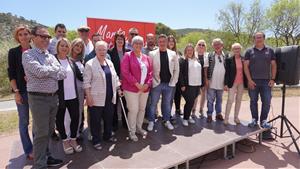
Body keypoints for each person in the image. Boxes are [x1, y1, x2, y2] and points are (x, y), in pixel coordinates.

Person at [22, 26, 65, 168]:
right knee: (41, 133)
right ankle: (40, 164)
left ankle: (47, 157)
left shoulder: (51, 56)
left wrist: (50, 72)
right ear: (33, 38)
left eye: (48, 37)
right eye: (43, 36)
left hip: (53, 98)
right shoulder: (28, 54)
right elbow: (39, 71)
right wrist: (53, 71)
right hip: (38, 98)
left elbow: (63, 74)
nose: (47, 39)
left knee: (48, 131)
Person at [83, 41, 119, 150]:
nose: (102, 52)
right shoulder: (90, 64)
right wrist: (88, 97)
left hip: (109, 97)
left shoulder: (109, 62)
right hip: (96, 98)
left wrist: (118, 87)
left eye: (104, 49)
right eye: (99, 49)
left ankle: (107, 136)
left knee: (108, 119)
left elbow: (115, 77)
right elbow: (86, 82)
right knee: (96, 121)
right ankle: (96, 140)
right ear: (95, 50)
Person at [7, 25, 33, 160]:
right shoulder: (13, 52)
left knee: (38, 123)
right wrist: (16, 92)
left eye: (26, 34)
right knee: (24, 122)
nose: (23, 36)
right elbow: (11, 74)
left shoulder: (36, 51)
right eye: (21, 34)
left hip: (36, 92)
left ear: (30, 36)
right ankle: (29, 150)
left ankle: (39, 148)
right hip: (21, 92)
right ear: (17, 37)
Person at [121, 36, 153, 141]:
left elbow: (150, 73)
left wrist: (147, 84)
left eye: (140, 43)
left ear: (143, 45)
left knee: (142, 109)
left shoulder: (146, 57)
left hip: (144, 89)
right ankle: (132, 131)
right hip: (131, 89)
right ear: (132, 44)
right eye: (136, 43)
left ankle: (139, 128)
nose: (138, 45)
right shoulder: (127, 55)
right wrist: (136, 83)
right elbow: (125, 72)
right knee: (133, 110)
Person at [55, 38, 82, 154]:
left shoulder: (71, 61)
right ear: (57, 47)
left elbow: (81, 76)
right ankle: (65, 140)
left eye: (66, 46)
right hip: (59, 97)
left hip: (73, 96)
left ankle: (73, 139)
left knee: (75, 118)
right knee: (60, 120)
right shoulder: (53, 60)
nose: (64, 48)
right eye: (62, 45)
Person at [244, 32, 277, 129]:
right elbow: (245, 66)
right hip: (253, 81)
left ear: (264, 38)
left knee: (266, 101)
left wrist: (273, 79)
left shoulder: (270, 50)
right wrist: (249, 80)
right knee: (253, 101)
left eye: (260, 37)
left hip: (266, 82)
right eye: (256, 37)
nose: (258, 39)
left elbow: (274, 65)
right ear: (254, 39)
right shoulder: (249, 51)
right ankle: (254, 120)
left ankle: (263, 121)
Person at [147, 34, 180, 131]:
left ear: (167, 42)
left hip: (169, 84)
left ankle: (166, 120)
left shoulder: (173, 54)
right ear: (158, 42)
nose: (162, 43)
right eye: (160, 41)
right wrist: (153, 81)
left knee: (166, 104)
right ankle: (151, 121)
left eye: (164, 41)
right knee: (153, 104)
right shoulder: (152, 54)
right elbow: (150, 70)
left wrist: (173, 82)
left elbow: (176, 70)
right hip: (156, 83)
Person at [108, 31, 130, 132]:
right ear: (115, 40)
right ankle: (115, 124)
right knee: (115, 103)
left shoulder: (128, 51)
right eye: (118, 39)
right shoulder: (110, 52)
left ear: (124, 41)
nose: (120, 41)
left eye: (122, 39)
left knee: (126, 103)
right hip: (115, 81)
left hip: (127, 82)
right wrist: (117, 79)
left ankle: (126, 122)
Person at [179, 44, 203, 126]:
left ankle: (188, 116)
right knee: (189, 102)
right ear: (185, 51)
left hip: (197, 84)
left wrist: (201, 85)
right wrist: (182, 85)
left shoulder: (197, 59)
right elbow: (180, 74)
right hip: (188, 85)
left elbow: (200, 72)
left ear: (193, 51)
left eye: (191, 50)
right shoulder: (183, 60)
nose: (189, 51)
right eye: (188, 50)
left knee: (192, 102)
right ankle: (185, 118)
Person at [224, 43, 247, 125]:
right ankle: (226, 118)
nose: (237, 50)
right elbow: (227, 73)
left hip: (241, 83)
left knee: (239, 100)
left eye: (238, 48)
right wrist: (225, 84)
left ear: (240, 50)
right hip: (232, 83)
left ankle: (236, 117)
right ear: (232, 50)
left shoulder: (244, 59)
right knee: (230, 100)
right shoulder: (229, 60)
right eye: (235, 49)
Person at [68, 38, 85, 139]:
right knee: (68, 114)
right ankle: (67, 134)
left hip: (80, 91)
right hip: (69, 91)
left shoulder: (82, 61)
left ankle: (76, 134)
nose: (78, 48)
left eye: (80, 46)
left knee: (78, 112)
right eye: (76, 45)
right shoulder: (66, 58)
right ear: (72, 46)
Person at [206, 38, 226, 123]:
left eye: (218, 44)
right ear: (213, 46)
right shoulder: (209, 55)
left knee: (219, 100)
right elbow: (206, 68)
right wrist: (206, 79)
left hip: (221, 83)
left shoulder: (226, 56)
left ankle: (218, 114)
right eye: (215, 44)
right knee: (210, 100)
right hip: (211, 82)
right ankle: (209, 114)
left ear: (222, 46)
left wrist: (226, 83)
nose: (217, 46)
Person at [192, 40, 209, 118]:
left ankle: (201, 109)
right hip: (195, 78)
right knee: (195, 95)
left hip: (203, 77)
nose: (201, 46)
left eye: (203, 45)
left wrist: (206, 80)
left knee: (203, 94)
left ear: (205, 47)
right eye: (199, 44)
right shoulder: (193, 54)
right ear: (197, 45)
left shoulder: (207, 55)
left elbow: (207, 68)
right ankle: (193, 109)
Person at [168, 35, 183, 116]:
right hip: (169, 78)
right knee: (168, 97)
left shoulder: (178, 53)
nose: (171, 42)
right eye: (169, 41)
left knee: (178, 95)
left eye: (172, 41)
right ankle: (168, 113)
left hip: (178, 78)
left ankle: (177, 109)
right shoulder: (164, 52)